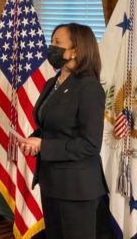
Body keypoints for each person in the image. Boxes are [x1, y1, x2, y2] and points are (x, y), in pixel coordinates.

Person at [19, 23, 109, 239]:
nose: (51, 48)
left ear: (76, 50)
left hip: (77, 190)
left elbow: (90, 144)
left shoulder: (89, 87)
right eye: (52, 42)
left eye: (58, 43)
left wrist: (44, 146)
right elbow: (48, 126)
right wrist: (33, 140)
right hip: (51, 183)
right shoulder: (52, 83)